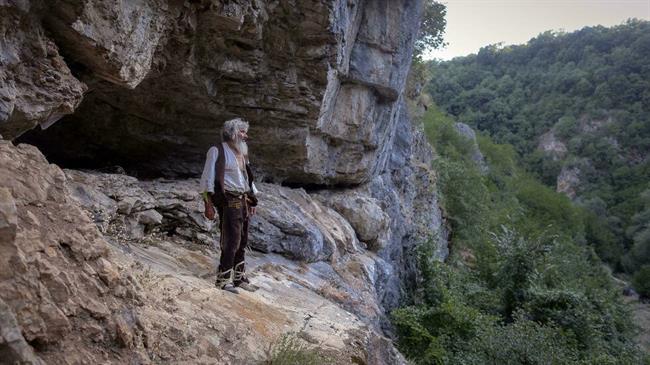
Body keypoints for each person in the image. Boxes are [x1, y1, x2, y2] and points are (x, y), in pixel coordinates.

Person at [199, 118, 259, 294]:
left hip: (243, 201)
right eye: (242, 131)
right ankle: (223, 280)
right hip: (229, 200)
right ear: (231, 133)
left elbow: (247, 178)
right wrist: (208, 204)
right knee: (231, 240)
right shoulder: (216, 150)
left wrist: (252, 198)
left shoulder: (242, 153)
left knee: (243, 239)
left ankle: (239, 279)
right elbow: (207, 178)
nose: (245, 136)